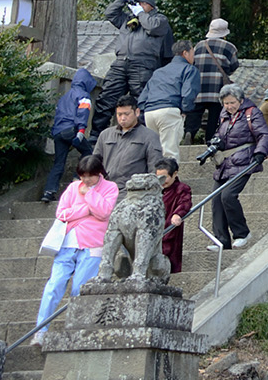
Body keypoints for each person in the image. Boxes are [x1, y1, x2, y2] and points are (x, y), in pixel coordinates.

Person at [34, 155, 117, 343]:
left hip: (93, 244)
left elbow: (104, 212)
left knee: (80, 289)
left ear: (98, 173)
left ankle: (75, 330)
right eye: (83, 176)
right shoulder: (73, 187)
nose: (86, 180)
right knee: (53, 286)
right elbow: (61, 213)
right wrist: (87, 210)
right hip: (67, 243)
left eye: (90, 176)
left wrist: (89, 195)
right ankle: (40, 330)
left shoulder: (109, 188)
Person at [93, 0, 173, 130]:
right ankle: (96, 136)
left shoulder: (159, 20)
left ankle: (139, 135)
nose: (138, 6)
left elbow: (152, 28)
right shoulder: (128, 19)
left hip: (143, 64)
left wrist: (140, 14)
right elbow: (110, 14)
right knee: (106, 97)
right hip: (121, 62)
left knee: (141, 101)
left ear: (150, 5)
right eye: (137, 3)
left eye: (142, 3)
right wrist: (122, 0)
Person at [209, 84, 268, 250]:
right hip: (225, 163)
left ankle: (242, 233)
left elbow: (264, 134)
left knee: (228, 196)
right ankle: (221, 240)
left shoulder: (252, 113)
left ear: (241, 100)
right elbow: (219, 134)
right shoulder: (224, 115)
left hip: (244, 160)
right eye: (226, 103)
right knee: (216, 200)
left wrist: (260, 152)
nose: (229, 106)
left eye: (232, 102)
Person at [41, 68, 96, 203]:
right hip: (71, 130)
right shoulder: (83, 95)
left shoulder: (65, 96)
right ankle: (77, 179)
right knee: (88, 152)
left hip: (58, 132)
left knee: (59, 163)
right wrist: (81, 132)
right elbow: (82, 113)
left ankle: (48, 192)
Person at [137, 42, 199, 157]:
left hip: (149, 112)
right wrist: (184, 111)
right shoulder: (189, 69)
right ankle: (169, 175)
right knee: (170, 152)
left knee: (155, 150)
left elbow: (143, 97)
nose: (193, 57)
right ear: (185, 53)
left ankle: (155, 174)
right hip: (169, 110)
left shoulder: (159, 71)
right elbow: (188, 93)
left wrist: (143, 112)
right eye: (192, 53)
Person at [188, 19, 240, 144]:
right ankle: (210, 139)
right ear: (224, 33)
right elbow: (234, 65)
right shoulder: (229, 47)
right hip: (217, 88)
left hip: (198, 87)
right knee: (214, 115)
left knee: (195, 112)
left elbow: (192, 63)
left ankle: (189, 131)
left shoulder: (199, 45)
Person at [93, 98, 159, 186]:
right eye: (119, 114)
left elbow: (154, 168)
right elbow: (94, 163)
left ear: (137, 112)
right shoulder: (105, 135)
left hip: (134, 190)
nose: (123, 118)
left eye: (126, 114)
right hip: (106, 188)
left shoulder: (150, 136)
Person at [155, 157, 191, 274]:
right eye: (159, 177)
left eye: (165, 177)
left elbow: (185, 203)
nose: (162, 181)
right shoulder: (155, 190)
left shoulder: (181, 189)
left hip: (169, 233)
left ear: (175, 174)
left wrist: (177, 214)